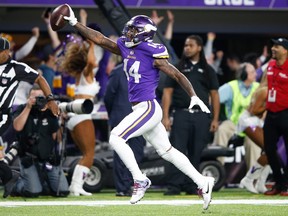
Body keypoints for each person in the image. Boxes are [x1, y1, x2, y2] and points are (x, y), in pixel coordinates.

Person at [61, 4, 215, 210]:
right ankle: (202, 181)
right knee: (167, 151)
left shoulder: (153, 51)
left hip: (148, 107)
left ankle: (139, 179)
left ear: (144, 34)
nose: (129, 32)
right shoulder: (125, 45)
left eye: (134, 30)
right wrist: (74, 23)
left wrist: (193, 96)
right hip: (140, 108)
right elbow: (99, 39)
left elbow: (177, 74)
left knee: (116, 137)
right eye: (130, 29)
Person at [0, 37, 59, 197]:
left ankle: (9, 176)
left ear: (6, 52)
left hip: (2, 115)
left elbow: (39, 78)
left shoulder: (16, 68)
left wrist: (51, 99)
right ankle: (9, 176)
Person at [162, 35, 220, 195]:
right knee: (176, 150)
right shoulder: (177, 68)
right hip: (181, 114)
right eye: (186, 45)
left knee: (196, 151)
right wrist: (165, 116)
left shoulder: (208, 70)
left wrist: (215, 118)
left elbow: (215, 95)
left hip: (202, 116)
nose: (187, 48)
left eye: (191, 45)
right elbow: (167, 92)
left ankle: (191, 185)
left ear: (199, 48)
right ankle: (174, 185)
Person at [4, 85, 69, 198]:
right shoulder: (22, 108)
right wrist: (28, 107)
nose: (38, 100)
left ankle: (41, 183)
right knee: (32, 192)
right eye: (35, 97)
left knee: (62, 191)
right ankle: (16, 184)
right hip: (29, 158)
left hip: (47, 158)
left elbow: (57, 138)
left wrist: (60, 121)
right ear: (28, 98)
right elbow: (17, 127)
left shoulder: (49, 112)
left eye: (41, 97)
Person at [60, 39, 100, 196]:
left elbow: (90, 60)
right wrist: (92, 45)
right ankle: (76, 186)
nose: (95, 59)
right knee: (90, 154)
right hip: (82, 115)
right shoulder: (86, 73)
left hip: (75, 116)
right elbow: (91, 60)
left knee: (86, 154)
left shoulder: (81, 75)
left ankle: (75, 187)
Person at [104, 62, 145, 197]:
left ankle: (130, 184)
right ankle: (122, 188)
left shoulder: (144, 70)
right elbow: (108, 96)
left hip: (139, 118)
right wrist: (114, 114)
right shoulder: (117, 71)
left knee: (138, 153)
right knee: (121, 155)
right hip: (121, 117)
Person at [212, 63, 261, 170]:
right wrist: (216, 119)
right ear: (244, 75)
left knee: (254, 142)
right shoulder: (231, 87)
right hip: (233, 124)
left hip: (250, 126)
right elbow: (213, 99)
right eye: (252, 72)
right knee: (222, 130)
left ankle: (253, 178)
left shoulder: (258, 88)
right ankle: (216, 170)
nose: (256, 74)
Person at [236, 72, 271, 194]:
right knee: (269, 150)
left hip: (257, 122)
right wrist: (270, 105)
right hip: (249, 122)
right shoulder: (265, 90)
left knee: (271, 153)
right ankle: (248, 179)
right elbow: (254, 110)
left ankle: (261, 183)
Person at [263, 38, 288, 196]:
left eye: (277, 46)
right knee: (269, 149)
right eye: (273, 45)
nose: (273, 48)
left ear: (285, 50)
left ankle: (286, 184)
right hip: (271, 114)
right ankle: (279, 183)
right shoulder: (271, 65)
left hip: (286, 112)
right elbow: (263, 84)